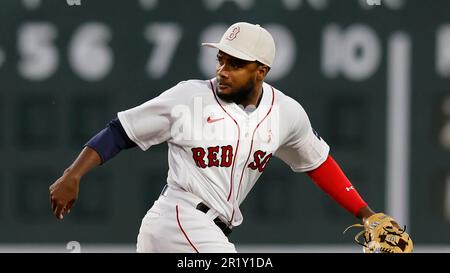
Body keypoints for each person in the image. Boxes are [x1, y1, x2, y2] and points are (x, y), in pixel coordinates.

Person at [49, 22, 377, 252]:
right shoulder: (188, 98)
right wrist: (72, 174)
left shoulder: (286, 113)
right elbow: (120, 131)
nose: (223, 69)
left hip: (192, 230)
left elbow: (317, 163)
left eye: (235, 63)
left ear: (261, 71)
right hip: (181, 220)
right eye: (221, 59)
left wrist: (367, 215)